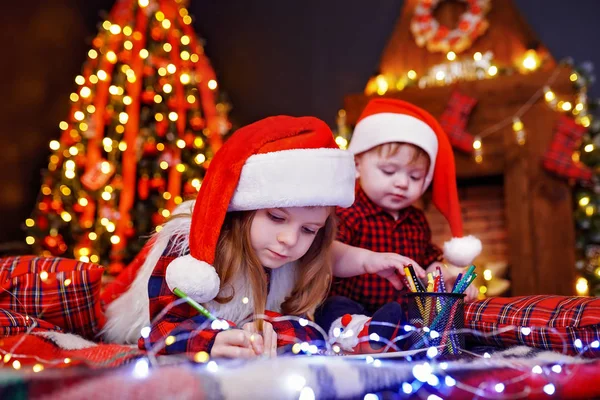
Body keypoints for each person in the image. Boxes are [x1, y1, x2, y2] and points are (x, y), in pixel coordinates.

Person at [103, 115, 424, 358]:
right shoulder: (189, 246)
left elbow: (300, 305)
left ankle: (361, 334)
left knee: (309, 335)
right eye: (276, 217)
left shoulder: (292, 259)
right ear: (246, 209)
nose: (289, 239)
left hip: (250, 345)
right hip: (167, 336)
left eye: (308, 230)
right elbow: (157, 328)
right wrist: (212, 341)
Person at [316, 99, 482, 352]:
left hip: (401, 310)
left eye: (414, 176)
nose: (402, 183)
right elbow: (326, 254)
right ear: (358, 165)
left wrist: (447, 276)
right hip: (351, 303)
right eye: (389, 171)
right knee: (333, 308)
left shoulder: (416, 221)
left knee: (420, 321)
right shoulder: (346, 210)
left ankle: (392, 338)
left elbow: (429, 262)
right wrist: (371, 258)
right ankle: (362, 337)